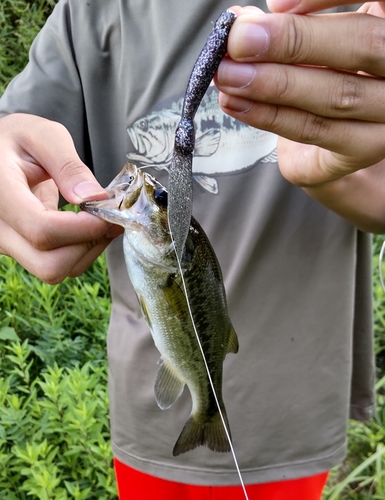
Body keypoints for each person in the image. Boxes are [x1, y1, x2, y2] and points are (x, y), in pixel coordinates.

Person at [0, 1, 383, 498]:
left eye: (156, 198)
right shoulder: (92, 11)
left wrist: (349, 180)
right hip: (151, 422)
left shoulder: (361, 10)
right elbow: (17, 132)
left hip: (295, 407)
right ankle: (207, 409)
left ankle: (208, 407)